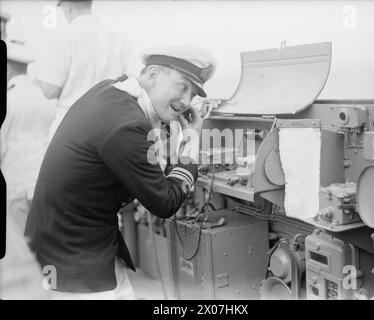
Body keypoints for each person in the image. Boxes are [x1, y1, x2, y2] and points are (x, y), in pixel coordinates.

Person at [25, 45, 217, 299]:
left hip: (81, 241)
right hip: (74, 261)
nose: (185, 102)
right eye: (182, 86)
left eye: (192, 95)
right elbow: (165, 202)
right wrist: (191, 142)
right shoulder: (126, 124)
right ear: (152, 73)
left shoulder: (111, 91)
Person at [37, 0, 138, 140]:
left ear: (68, 7)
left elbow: (50, 90)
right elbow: (133, 79)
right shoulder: (118, 36)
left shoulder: (65, 35)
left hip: (71, 125)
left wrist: (36, 78)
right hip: (109, 125)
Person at [1, 38, 56, 236]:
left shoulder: (10, 98)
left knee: (15, 249)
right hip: (40, 184)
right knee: (36, 246)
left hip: (13, 185)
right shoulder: (44, 97)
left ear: (7, 69)